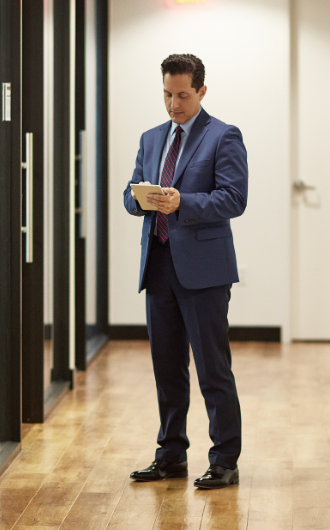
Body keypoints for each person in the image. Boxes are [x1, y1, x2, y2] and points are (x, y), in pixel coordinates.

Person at [123, 53, 248, 490]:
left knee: (213, 369)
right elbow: (129, 196)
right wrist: (140, 199)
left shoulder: (223, 136)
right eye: (167, 94)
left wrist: (183, 202)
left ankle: (225, 460)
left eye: (182, 95)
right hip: (158, 267)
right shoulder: (151, 138)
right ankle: (171, 455)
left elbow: (234, 198)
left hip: (204, 273)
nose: (173, 104)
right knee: (167, 368)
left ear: (201, 91)